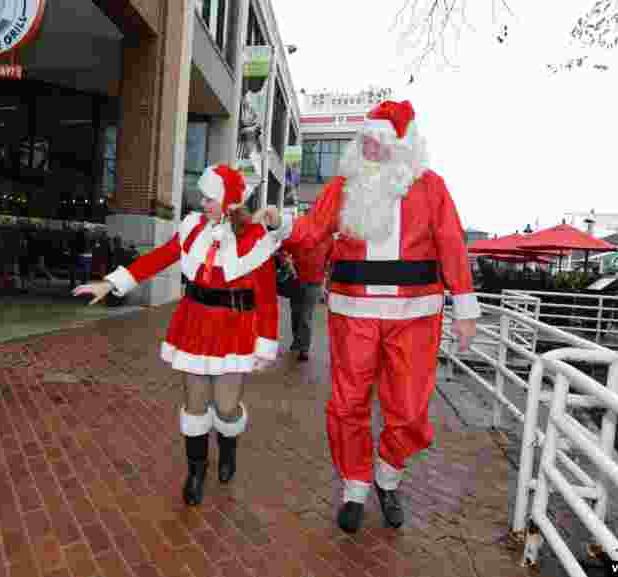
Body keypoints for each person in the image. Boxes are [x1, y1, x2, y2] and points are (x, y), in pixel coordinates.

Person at [261, 100, 479, 533]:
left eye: (380, 142)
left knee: (411, 411)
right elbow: (312, 230)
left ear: (403, 145)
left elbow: (452, 242)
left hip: (415, 315)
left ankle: (387, 473)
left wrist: (465, 307)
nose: (372, 150)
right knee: (347, 403)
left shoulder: (431, 187)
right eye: (367, 142)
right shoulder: (344, 186)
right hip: (353, 311)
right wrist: (282, 222)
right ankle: (355, 487)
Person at [74, 164, 280, 507]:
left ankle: (228, 448)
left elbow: (269, 298)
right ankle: (196, 471)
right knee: (195, 406)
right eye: (203, 196)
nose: (203, 202)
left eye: (210, 197)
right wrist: (112, 282)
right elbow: (159, 258)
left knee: (227, 408)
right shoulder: (191, 228)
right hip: (195, 325)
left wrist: (266, 342)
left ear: (229, 201)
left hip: (235, 330)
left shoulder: (253, 239)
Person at [286, 235, 332, 361]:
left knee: (306, 316)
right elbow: (283, 249)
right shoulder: (298, 233)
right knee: (295, 313)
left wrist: (325, 278)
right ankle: (297, 340)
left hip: (314, 282)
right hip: (296, 280)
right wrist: (288, 263)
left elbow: (330, 260)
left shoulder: (327, 239)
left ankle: (304, 349)